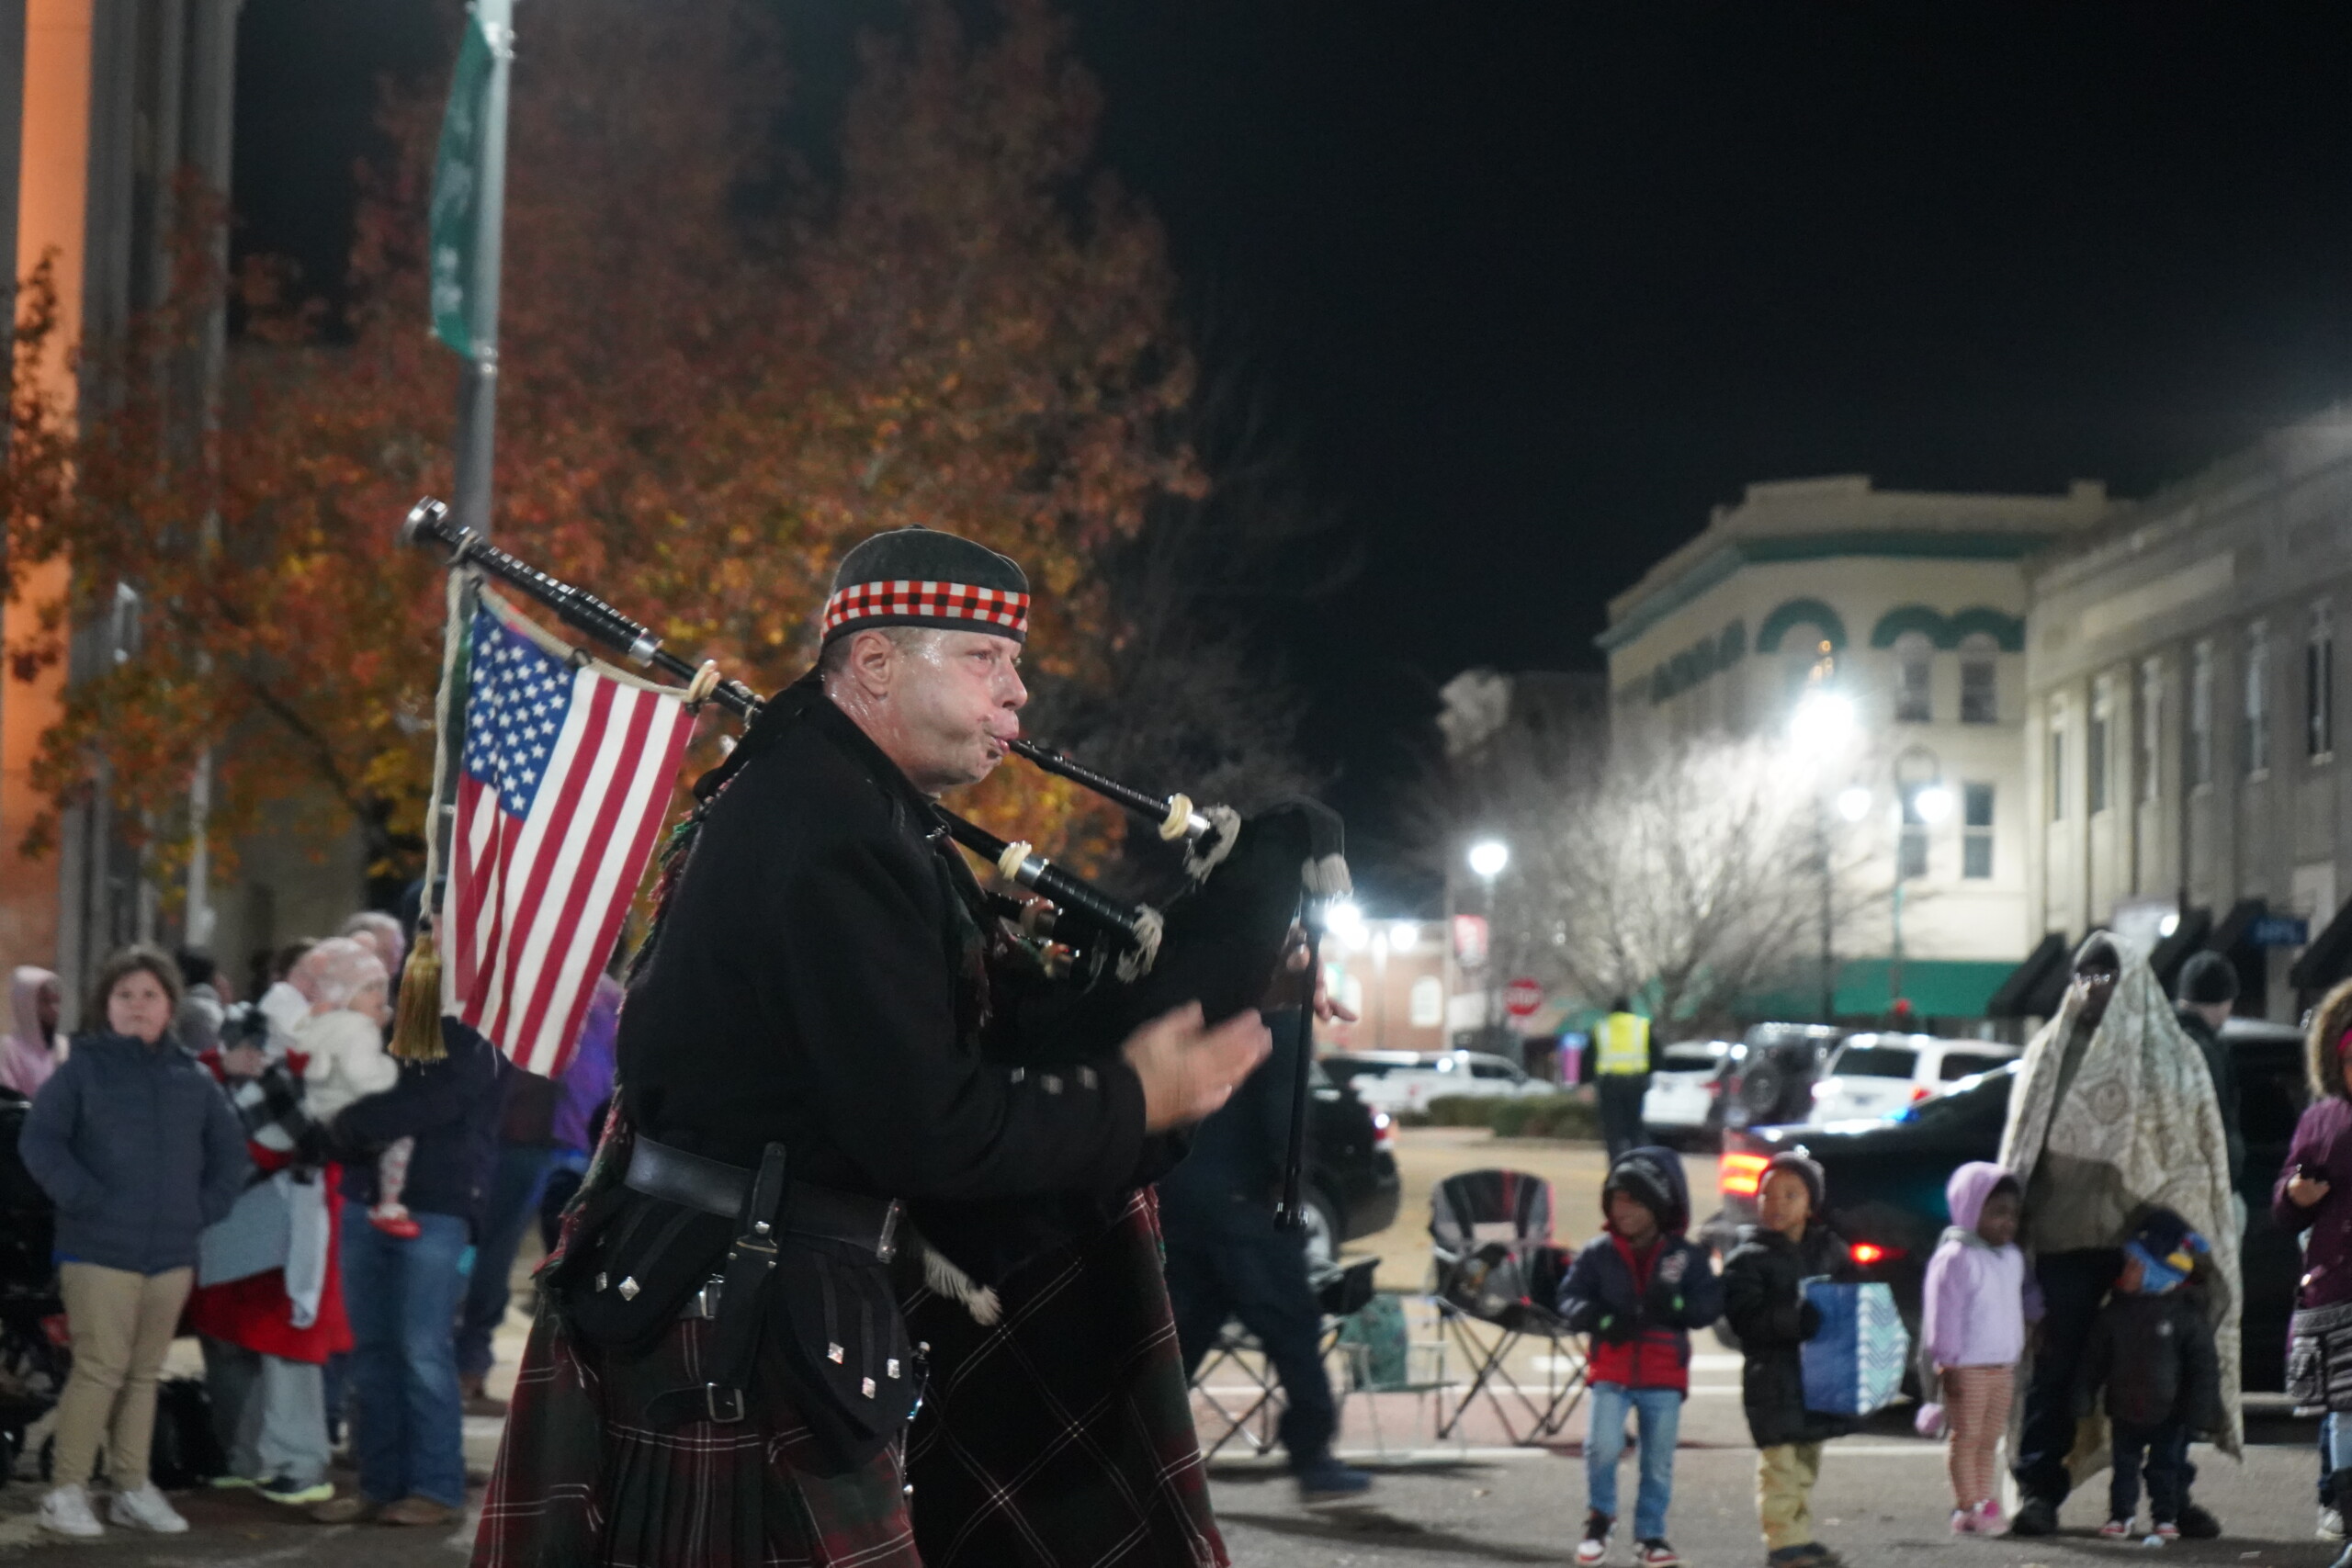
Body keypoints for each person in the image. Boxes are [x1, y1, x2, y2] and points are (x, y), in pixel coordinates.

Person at [473, 526, 1269, 1568]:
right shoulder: (833, 831)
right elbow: (933, 1132)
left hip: (734, 1294)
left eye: (1013, 663)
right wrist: (1134, 1097)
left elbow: (973, 1036)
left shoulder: (851, 808)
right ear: (877, 663)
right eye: (985, 660)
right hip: (741, 1318)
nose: (1018, 693)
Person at [1998, 932, 2237, 1539]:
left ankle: (2169, 1496)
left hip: (2149, 1243)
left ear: (2130, 979)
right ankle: (2039, 1490)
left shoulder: (2171, 1053)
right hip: (2065, 1236)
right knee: (2059, 1370)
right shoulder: (2050, 1050)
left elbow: (2194, 1143)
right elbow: (2022, 1146)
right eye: (2084, 974)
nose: (2094, 984)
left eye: (2106, 973)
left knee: (2163, 1376)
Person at [20, 944, 250, 1539]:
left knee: (145, 1373)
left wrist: (200, 1209)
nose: (138, 1006)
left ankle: (131, 1485)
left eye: (149, 995)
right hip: (97, 1251)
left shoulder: (193, 1078)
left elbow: (231, 1156)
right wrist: (86, 1197)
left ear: (169, 1003)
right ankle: (66, 1490)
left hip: (170, 1254)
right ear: (107, 1005)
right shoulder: (81, 1070)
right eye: (125, 996)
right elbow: (39, 1143)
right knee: (99, 1368)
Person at [1163, 1009, 1372, 1502]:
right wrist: (1286, 1186)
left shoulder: (1213, 993)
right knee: (1293, 1327)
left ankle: (1136, 1455)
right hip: (1248, 1200)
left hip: (1187, 1190)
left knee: (1181, 1337)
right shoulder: (1281, 1014)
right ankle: (1312, 1454)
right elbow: (1285, 1105)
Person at [311, 1014, 505, 1528]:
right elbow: (333, 1098)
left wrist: (357, 1121)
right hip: (364, 1198)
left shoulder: (483, 1031)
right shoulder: (387, 1021)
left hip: (437, 1204)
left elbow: (440, 1102)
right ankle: (379, 1484)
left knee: (422, 1349)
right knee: (371, 1350)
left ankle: (436, 1488)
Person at [187, 1002, 353, 1508]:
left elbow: (309, 1141)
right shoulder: (208, 1071)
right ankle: (248, 1459)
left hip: (289, 1226)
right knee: (228, 1342)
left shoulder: (320, 1067)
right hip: (224, 1226)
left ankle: (297, 1464)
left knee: (288, 1341)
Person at [458, 972, 619, 1413]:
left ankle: (562, 1386)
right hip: (522, 1141)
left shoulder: (604, 996)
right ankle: (467, 1369)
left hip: (574, 1145)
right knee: (486, 1255)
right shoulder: (529, 980)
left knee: (566, 1271)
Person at [1557, 1145, 1721, 1568]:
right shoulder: (1598, 1253)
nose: (1621, 1208)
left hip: (1664, 1373)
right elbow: (1570, 1299)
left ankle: (1650, 1534)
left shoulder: (1685, 1256)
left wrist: (1676, 1306)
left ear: (1658, 1203)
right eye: (1616, 1198)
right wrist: (1602, 1320)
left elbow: (1708, 1307)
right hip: (1611, 1367)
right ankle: (1600, 1516)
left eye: (1633, 1199)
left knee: (1658, 1462)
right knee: (1602, 1447)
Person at [1722, 1151, 1855, 1568]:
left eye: (1790, 1195)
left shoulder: (1828, 1249)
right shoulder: (1748, 1258)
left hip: (1817, 1378)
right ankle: (1784, 1545)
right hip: (1773, 1379)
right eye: (1767, 1194)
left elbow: (1851, 1287)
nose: (1775, 1203)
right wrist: (1794, 1319)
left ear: (1810, 1204)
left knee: (1805, 1462)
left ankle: (1799, 1534)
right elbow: (1746, 1319)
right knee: (1779, 1466)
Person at [2071, 1208, 2222, 1541]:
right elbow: (2094, 1360)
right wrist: (2082, 1396)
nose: (2124, 1272)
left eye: (2133, 1265)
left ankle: (2165, 1516)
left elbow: (2203, 1368)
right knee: (2123, 1468)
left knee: (2164, 1468)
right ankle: (2121, 1515)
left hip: (2169, 1413)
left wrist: (2199, 1411)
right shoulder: (2113, 1314)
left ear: (2154, 1272)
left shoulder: (2184, 1316)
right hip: (2124, 1409)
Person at [1917, 1162, 2035, 1536]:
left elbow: (2023, 1298)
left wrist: (2036, 1320)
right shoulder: (1955, 1258)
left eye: (2012, 1214)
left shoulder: (2011, 1257)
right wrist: (1947, 1363)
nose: (2007, 1223)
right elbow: (1944, 1315)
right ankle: (1966, 1505)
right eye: (1997, 1212)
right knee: (1966, 1438)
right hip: (1966, 1367)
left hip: (2002, 1365)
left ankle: (1984, 1500)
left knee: (1988, 1439)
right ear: (1970, 1209)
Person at [2278, 977, 2352, 1563]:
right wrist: (2296, 1195)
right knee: (2343, 1409)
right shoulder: (2324, 1121)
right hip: (2334, 1285)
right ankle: (2341, 1506)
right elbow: (2284, 1195)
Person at [288, 939, 412, 1236]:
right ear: (344, 993)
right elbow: (363, 1074)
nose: (380, 997)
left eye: (382, 988)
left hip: (319, 1112)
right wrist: (390, 1070)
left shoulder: (319, 1022)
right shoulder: (360, 1030)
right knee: (402, 1139)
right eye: (369, 989)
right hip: (348, 1111)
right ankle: (389, 1203)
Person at [2173, 952, 2246, 1212]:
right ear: (2221, 1000)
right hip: (2205, 1193)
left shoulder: (2160, 1037)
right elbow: (2214, 1122)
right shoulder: (2203, 1050)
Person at [1594, 998, 1653, 1160]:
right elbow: (1655, 1053)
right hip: (1635, 1083)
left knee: (1613, 1129)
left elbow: (1590, 1055)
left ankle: (1615, 1163)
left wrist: (1585, 1082)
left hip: (1609, 1085)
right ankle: (1636, 1161)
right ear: (1630, 1009)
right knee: (1635, 1126)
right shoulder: (1641, 1025)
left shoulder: (1602, 1027)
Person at [0, 964, 64, 1099]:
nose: (54, 1009)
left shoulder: (63, 1047)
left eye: (56, 1001)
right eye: (45, 1001)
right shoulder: (8, 1050)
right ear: (26, 1004)